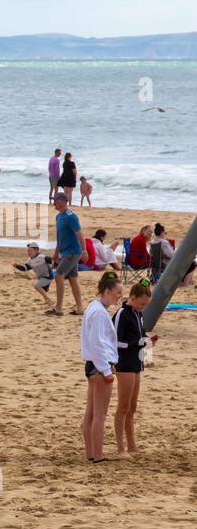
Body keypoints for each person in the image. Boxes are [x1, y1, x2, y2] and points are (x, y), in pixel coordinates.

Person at [81, 271, 122, 463]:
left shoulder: (94, 308)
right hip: (99, 366)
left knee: (91, 413)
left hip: (92, 365)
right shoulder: (98, 312)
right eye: (117, 293)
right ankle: (97, 455)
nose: (118, 297)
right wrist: (107, 371)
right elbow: (97, 343)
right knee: (99, 414)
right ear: (106, 291)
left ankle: (91, 453)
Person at [113, 282, 155, 456]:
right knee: (123, 407)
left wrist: (148, 340)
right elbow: (115, 341)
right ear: (132, 298)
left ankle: (132, 445)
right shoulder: (122, 314)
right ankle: (120, 447)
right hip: (124, 364)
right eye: (142, 303)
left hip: (136, 362)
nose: (144, 307)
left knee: (132, 407)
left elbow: (140, 335)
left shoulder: (139, 314)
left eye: (146, 305)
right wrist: (138, 343)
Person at [50, 192, 85, 316]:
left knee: (58, 276)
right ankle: (80, 308)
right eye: (54, 200)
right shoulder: (59, 216)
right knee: (72, 279)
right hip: (65, 252)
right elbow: (60, 237)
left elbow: (80, 234)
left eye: (56, 200)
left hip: (73, 252)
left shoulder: (71, 216)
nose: (54, 203)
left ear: (63, 201)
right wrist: (56, 253)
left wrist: (84, 251)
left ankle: (58, 308)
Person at [12, 242, 54, 308]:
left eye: (30, 251)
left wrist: (54, 267)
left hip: (48, 276)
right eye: (28, 251)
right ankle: (49, 302)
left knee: (37, 286)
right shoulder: (30, 260)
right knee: (44, 290)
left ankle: (48, 300)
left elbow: (53, 260)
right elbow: (25, 268)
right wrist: (17, 266)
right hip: (40, 278)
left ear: (37, 250)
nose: (28, 253)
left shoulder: (42, 257)